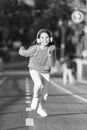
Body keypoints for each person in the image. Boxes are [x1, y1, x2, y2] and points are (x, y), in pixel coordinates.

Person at [18, 29, 56, 117]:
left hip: (46, 72)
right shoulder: (35, 48)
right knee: (38, 83)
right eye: (42, 38)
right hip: (34, 69)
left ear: (50, 39)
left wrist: (50, 55)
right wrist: (21, 48)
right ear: (38, 39)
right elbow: (25, 53)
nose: (44, 40)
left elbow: (53, 64)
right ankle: (35, 97)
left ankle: (40, 108)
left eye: (47, 37)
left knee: (45, 94)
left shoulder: (52, 48)